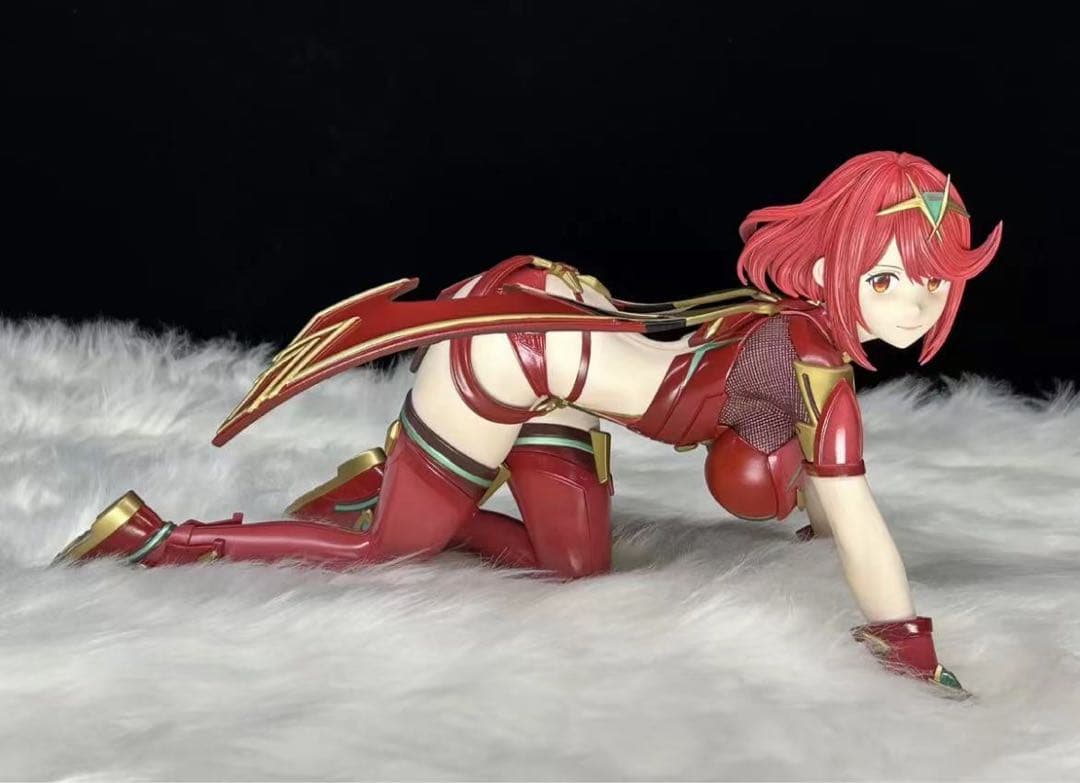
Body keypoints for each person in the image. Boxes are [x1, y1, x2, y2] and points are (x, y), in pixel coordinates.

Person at [54, 151, 1002, 695]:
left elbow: (827, 495)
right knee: (388, 551)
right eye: (888, 277)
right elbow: (855, 510)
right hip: (510, 352)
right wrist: (908, 642)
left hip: (564, 373)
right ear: (832, 267)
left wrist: (821, 528)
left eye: (932, 280)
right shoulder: (812, 367)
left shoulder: (803, 346)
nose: (915, 301)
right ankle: (161, 538)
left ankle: (400, 479)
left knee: (576, 572)